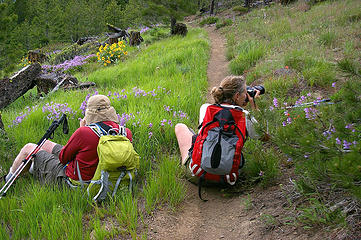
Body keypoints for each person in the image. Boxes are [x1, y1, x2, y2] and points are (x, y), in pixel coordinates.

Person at [3, 95, 133, 185]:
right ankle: (32, 167)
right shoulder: (125, 132)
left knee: (28, 148)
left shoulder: (84, 132)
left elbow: (63, 158)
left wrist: (83, 129)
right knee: (46, 144)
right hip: (106, 178)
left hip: (75, 182)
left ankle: (8, 180)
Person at [174, 75, 261, 182]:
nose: (246, 95)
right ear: (237, 96)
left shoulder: (206, 108)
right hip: (229, 179)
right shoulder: (245, 115)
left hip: (198, 174)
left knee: (181, 127)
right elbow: (263, 136)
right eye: (245, 92)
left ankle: (187, 163)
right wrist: (254, 107)